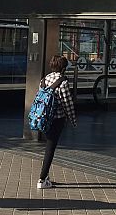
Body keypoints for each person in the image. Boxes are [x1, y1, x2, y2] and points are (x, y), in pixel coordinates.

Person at [37, 55, 77, 189]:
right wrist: (73, 120)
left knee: (48, 146)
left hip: (43, 118)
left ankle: (45, 177)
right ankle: (42, 179)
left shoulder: (44, 79)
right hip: (57, 119)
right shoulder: (63, 82)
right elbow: (67, 103)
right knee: (50, 148)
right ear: (63, 68)